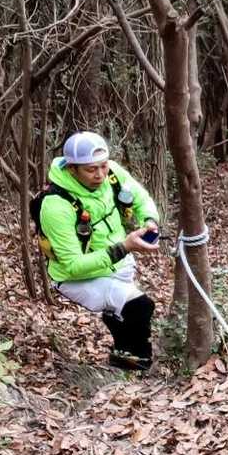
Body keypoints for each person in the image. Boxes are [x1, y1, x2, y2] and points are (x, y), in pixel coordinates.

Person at [37, 131, 160, 371]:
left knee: (124, 310)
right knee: (140, 306)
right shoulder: (55, 206)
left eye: (103, 166)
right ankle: (138, 366)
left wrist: (149, 220)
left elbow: (139, 196)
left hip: (116, 262)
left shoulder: (112, 173)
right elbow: (73, 265)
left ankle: (122, 356)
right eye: (91, 169)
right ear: (72, 168)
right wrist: (124, 247)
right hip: (76, 278)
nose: (101, 175)